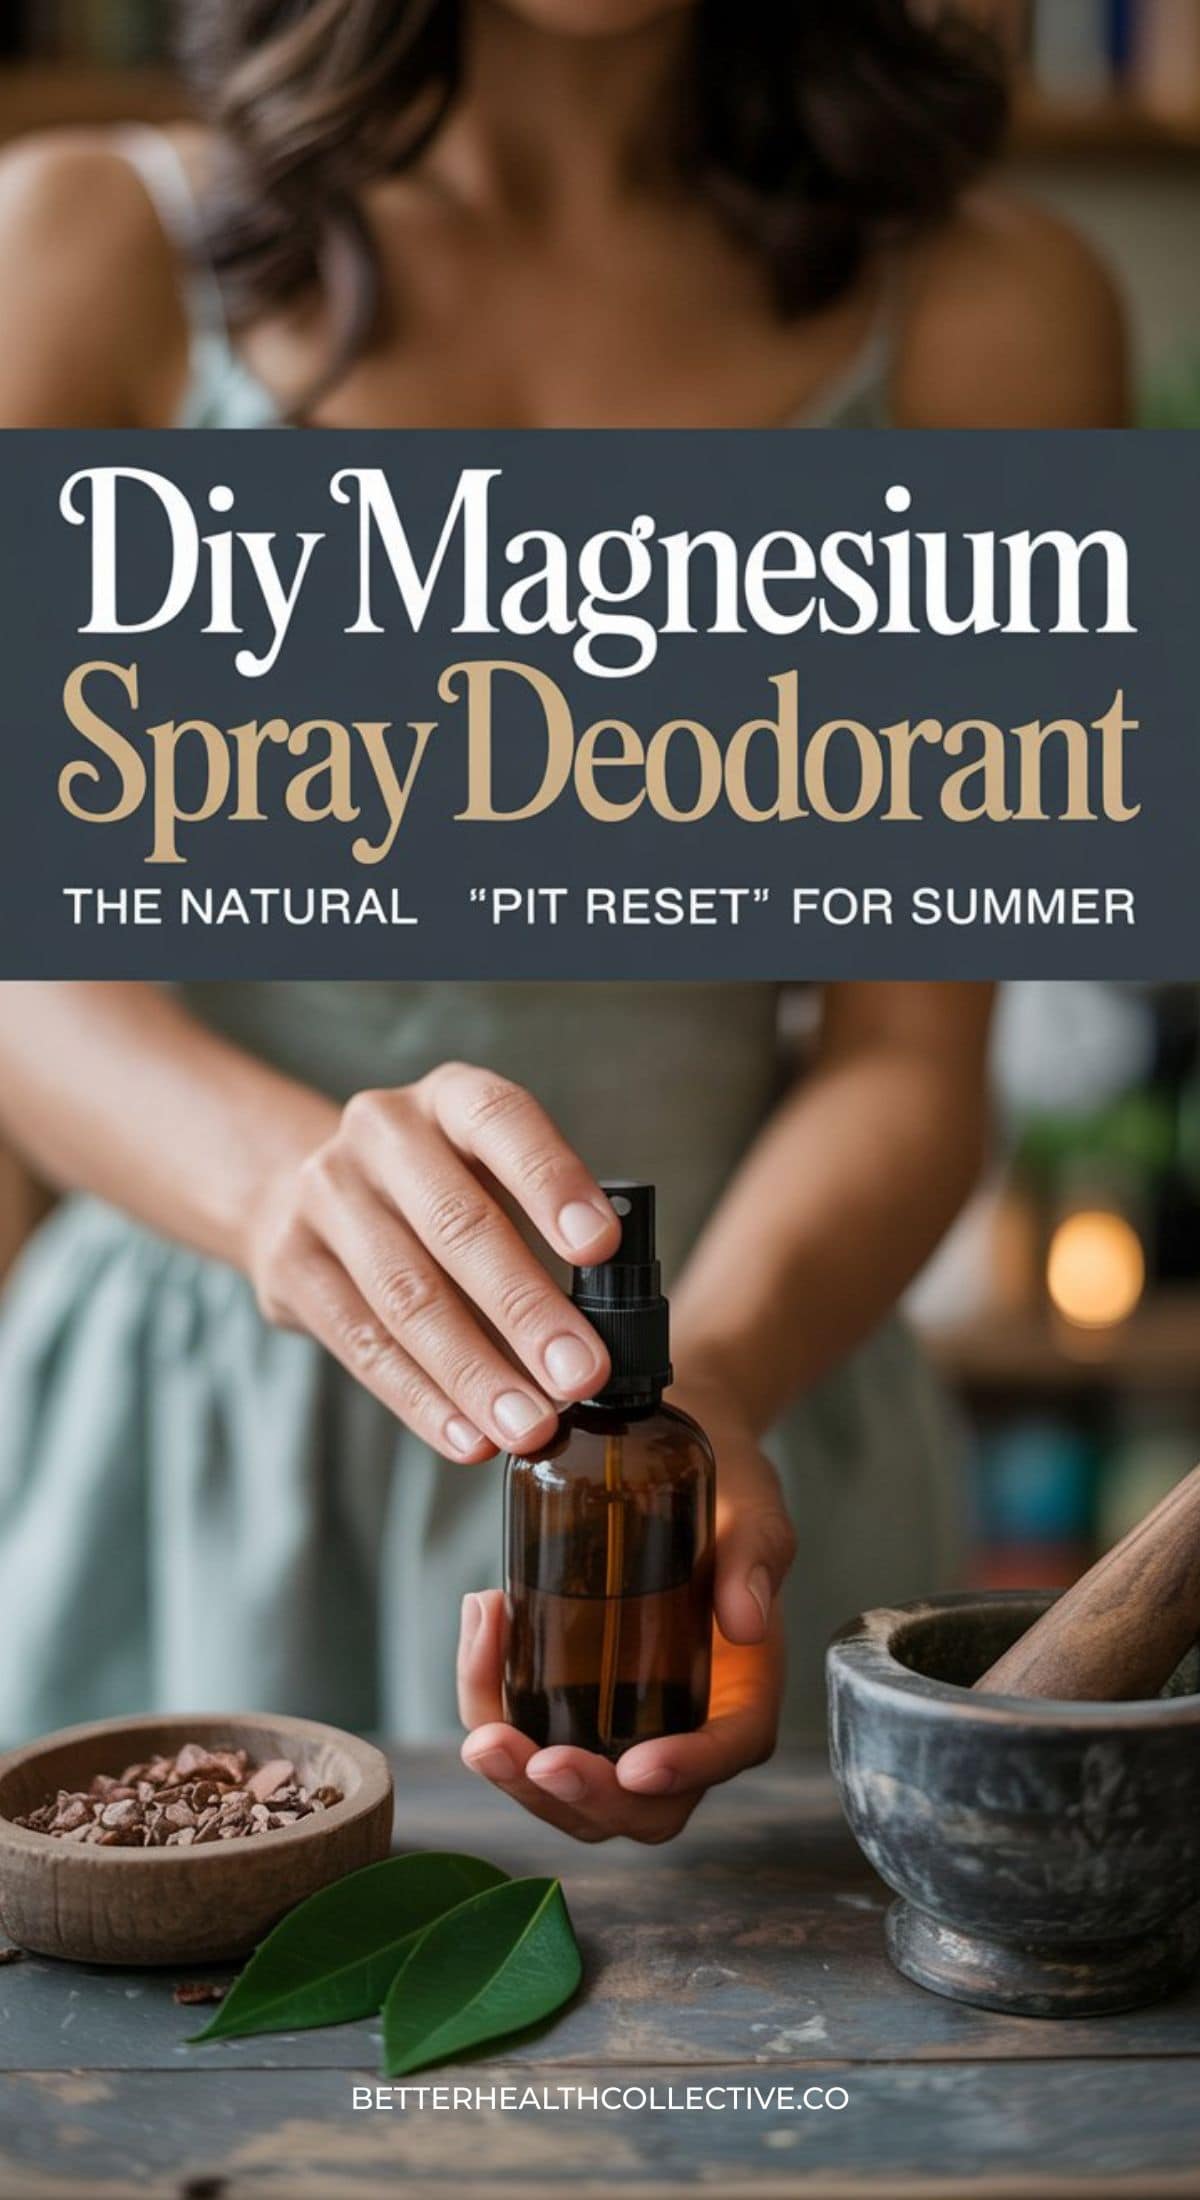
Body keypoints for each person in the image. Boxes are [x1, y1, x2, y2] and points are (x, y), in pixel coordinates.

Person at [0, 0, 1125, 1842]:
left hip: (748, 1401)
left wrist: (711, 1398)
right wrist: (296, 1196)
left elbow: (915, 1054)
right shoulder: (70, 253)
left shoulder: (999, 316)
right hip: (182, 1449)